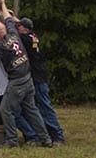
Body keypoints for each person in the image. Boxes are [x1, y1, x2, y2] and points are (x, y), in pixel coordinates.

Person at [0, 0, 52, 148]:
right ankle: (46, 139)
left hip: (17, 82)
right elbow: (8, 18)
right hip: (28, 78)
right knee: (31, 110)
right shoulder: (14, 34)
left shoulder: (1, 47)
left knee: (5, 109)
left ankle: (12, 141)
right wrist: (2, 5)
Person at [16, 16, 65, 144]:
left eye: (20, 26)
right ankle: (41, 134)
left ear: (26, 29)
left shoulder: (25, 38)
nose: (17, 28)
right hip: (39, 77)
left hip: (37, 79)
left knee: (44, 107)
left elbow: (11, 31)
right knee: (33, 108)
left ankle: (57, 136)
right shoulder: (32, 36)